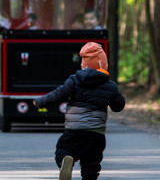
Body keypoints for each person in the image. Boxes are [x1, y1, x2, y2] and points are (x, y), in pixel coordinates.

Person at [33, 42, 125, 180]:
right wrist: (113, 95)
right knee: (91, 165)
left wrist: (41, 101)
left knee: (63, 148)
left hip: (75, 130)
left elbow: (60, 93)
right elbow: (118, 106)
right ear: (103, 64)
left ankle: (66, 158)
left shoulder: (75, 80)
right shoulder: (110, 86)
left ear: (83, 64)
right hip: (96, 134)